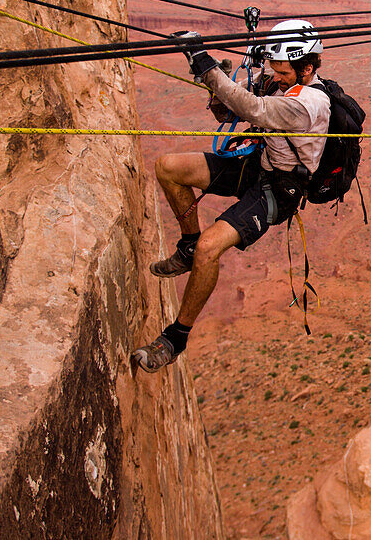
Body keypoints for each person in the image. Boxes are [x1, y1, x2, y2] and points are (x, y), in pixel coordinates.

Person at [131, 20, 331, 373]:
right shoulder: (277, 82)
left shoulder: (308, 103)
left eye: (283, 71)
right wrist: (218, 85)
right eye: (275, 68)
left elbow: (254, 110)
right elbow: (228, 110)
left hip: (278, 188)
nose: (276, 76)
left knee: (213, 247)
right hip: (258, 164)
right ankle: (188, 246)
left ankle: (176, 337)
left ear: (307, 67)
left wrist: (205, 65)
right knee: (168, 168)